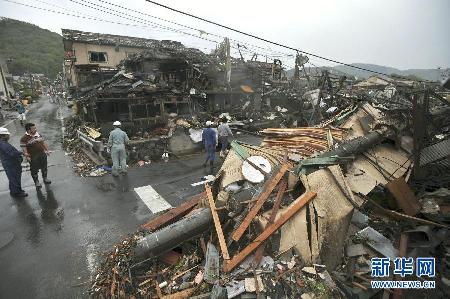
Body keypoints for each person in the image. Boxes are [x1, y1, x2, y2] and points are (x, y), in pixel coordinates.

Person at [20, 123, 51, 188]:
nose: (36, 129)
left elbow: (43, 143)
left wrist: (47, 150)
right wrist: (27, 156)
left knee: (44, 167)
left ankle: (45, 178)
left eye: (35, 128)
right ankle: (36, 182)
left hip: (42, 153)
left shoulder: (38, 134)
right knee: (34, 169)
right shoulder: (24, 138)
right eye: (34, 128)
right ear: (29, 130)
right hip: (33, 156)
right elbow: (24, 148)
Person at [0, 127, 27, 197]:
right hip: (11, 164)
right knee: (14, 178)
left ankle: (13, 191)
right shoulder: (3, 144)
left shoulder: (3, 143)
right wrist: (21, 152)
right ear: (2, 135)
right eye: (7, 135)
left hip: (9, 163)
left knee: (12, 178)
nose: (8, 136)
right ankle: (17, 192)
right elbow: (12, 153)